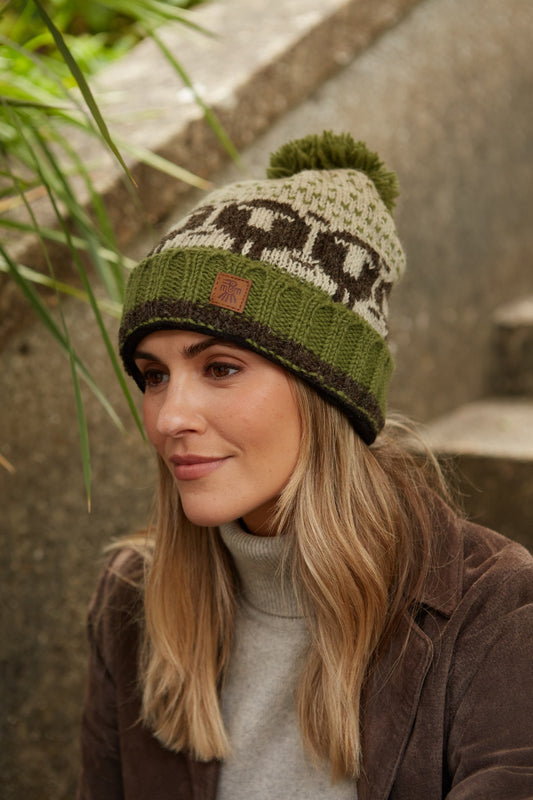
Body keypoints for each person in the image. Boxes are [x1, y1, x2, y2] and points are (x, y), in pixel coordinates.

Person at [77, 131, 533, 799]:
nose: (170, 416)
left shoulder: (494, 611)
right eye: (152, 376)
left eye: (221, 368)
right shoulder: (133, 601)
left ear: (326, 390)